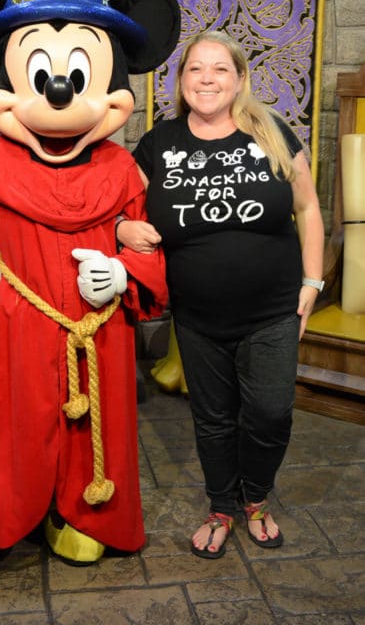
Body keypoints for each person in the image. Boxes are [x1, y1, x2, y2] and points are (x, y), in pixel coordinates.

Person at [117, 30, 324, 559]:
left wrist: (312, 282)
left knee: (272, 412)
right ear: (181, 80)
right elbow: (115, 204)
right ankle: (220, 507)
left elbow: (308, 209)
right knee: (211, 419)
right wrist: (121, 229)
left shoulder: (272, 132)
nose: (207, 79)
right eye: (195, 69)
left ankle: (255, 498)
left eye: (219, 70)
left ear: (238, 80)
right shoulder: (158, 144)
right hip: (197, 316)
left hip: (274, 310)